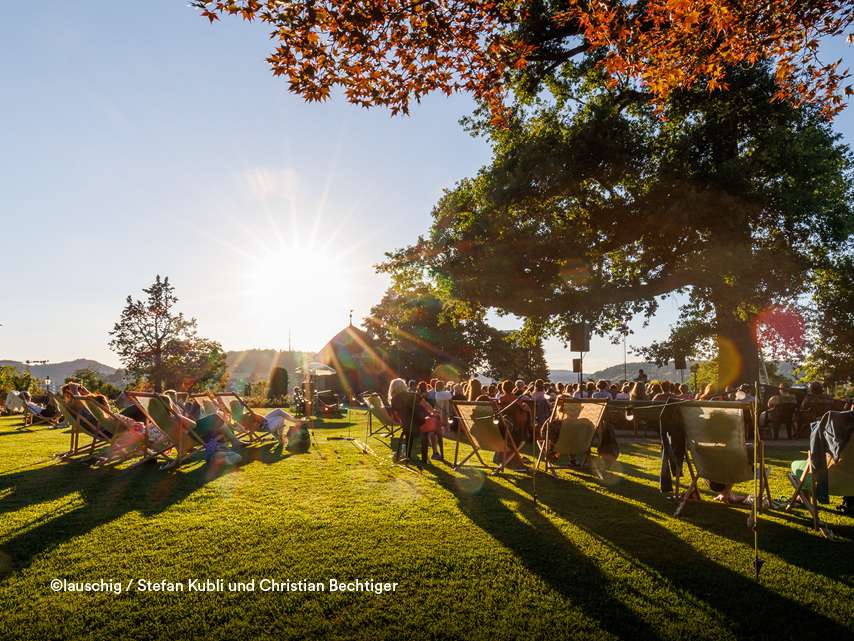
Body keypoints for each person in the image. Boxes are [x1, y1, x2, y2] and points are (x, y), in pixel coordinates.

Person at [389, 378, 442, 463]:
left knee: (415, 430)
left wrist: (402, 422)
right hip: (419, 423)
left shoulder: (393, 400)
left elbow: (395, 414)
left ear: (392, 388)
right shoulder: (413, 395)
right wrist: (433, 411)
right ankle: (433, 454)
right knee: (432, 427)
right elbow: (426, 405)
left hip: (406, 425)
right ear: (404, 386)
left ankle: (408, 454)